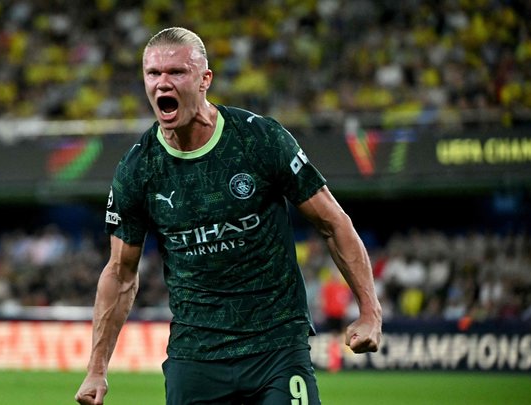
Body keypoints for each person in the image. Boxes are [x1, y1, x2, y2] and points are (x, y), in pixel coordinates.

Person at [75, 26, 382, 405]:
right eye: (153, 73)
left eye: (176, 72)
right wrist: (97, 368)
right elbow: (120, 274)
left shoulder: (258, 139)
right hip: (195, 356)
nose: (162, 83)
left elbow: (333, 223)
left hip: (276, 347)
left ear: (205, 79)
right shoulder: (138, 169)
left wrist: (369, 311)